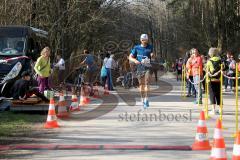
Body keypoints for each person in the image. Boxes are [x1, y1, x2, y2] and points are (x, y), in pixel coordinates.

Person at [129, 34, 154, 109]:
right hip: (140, 67)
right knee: (141, 85)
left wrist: (152, 55)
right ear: (140, 40)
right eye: (143, 40)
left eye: (145, 40)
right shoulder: (136, 47)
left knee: (147, 82)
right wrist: (135, 60)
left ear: (147, 40)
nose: (144, 42)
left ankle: (146, 99)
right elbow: (130, 57)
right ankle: (142, 99)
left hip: (147, 67)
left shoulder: (150, 47)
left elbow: (152, 55)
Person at [206, 48, 222, 115]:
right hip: (218, 80)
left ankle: (213, 110)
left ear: (210, 53)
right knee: (219, 94)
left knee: (212, 95)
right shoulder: (220, 60)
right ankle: (220, 109)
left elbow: (207, 70)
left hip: (211, 80)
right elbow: (223, 68)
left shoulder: (209, 61)